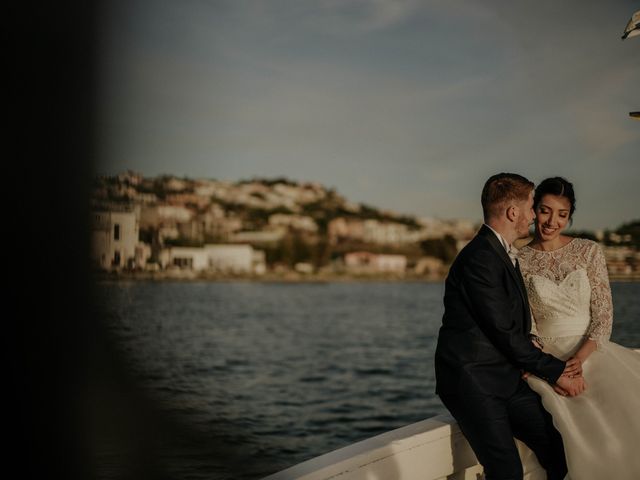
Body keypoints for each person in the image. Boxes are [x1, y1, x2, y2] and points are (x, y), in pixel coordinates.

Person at [434, 173, 585, 480]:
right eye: (532, 206)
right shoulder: (479, 258)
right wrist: (557, 372)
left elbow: (511, 323)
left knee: (560, 450)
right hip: (474, 383)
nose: (533, 215)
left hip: (506, 379)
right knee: (507, 472)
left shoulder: (501, 252)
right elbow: (503, 334)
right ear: (513, 212)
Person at [518, 176, 640, 479]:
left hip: (591, 353)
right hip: (546, 359)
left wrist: (578, 361)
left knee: (621, 434)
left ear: (569, 217)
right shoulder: (518, 259)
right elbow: (524, 324)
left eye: (561, 214)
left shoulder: (589, 251)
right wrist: (551, 368)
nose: (552, 221)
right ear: (533, 211)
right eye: (545, 211)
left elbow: (603, 316)